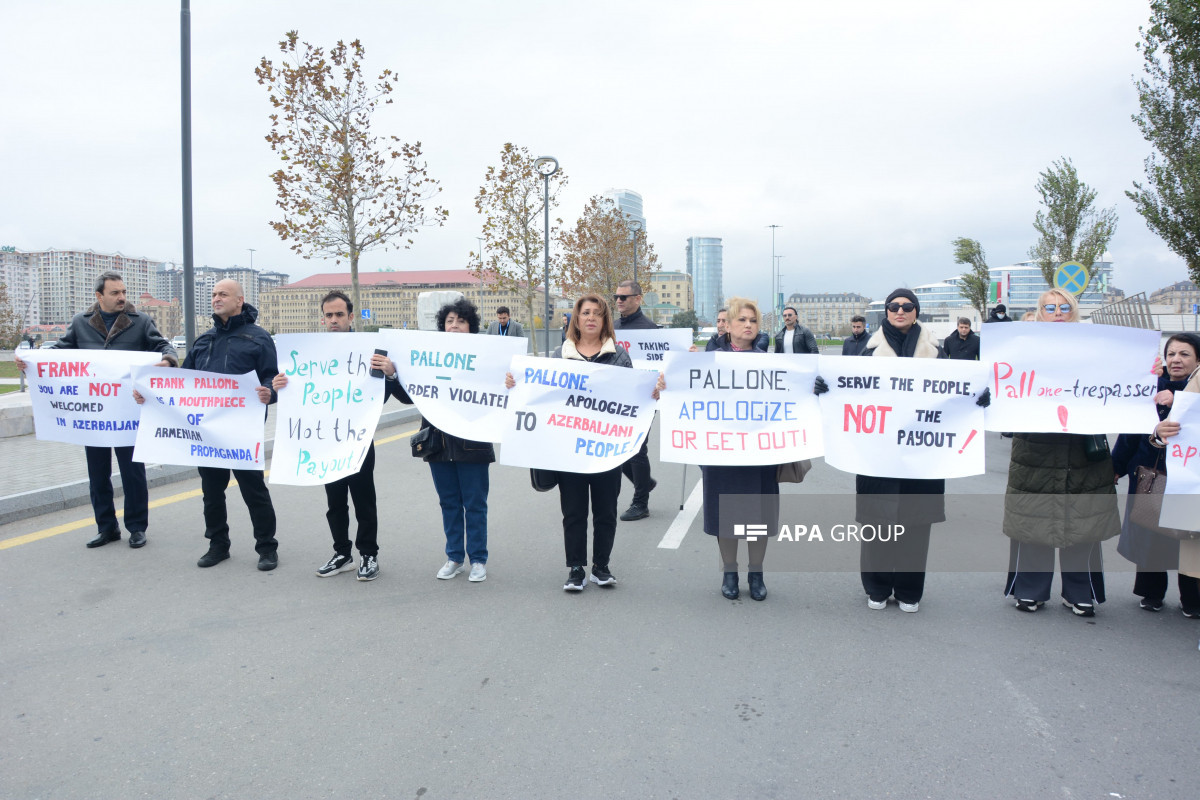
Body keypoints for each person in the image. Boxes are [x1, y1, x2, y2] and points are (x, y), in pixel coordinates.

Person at [823, 288, 965, 613]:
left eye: (907, 306)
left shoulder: (937, 353)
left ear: (917, 311)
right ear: (886, 312)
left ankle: (909, 590)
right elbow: (849, 395)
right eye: (893, 306)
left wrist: (976, 400)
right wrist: (826, 390)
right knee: (877, 523)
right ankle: (876, 587)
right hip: (879, 456)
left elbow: (955, 396)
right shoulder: (868, 352)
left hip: (920, 456)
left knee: (916, 525)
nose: (900, 311)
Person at [506, 293, 659, 591]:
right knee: (573, 512)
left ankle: (601, 566)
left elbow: (634, 400)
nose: (591, 317)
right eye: (585, 312)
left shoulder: (620, 357)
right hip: (569, 453)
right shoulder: (559, 357)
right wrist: (515, 383)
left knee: (606, 512)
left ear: (605, 321)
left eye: (597, 313)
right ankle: (576, 568)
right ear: (576, 319)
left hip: (606, 453)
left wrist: (654, 392)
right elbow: (539, 394)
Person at [15, 271, 177, 549]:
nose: (122, 298)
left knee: (133, 473)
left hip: (127, 414)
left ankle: (137, 527)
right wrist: (32, 361)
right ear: (99, 296)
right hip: (95, 416)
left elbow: (164, 346)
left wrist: (168, 360)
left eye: (124, 292)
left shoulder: (140, 322)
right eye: (115, 293)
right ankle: (106, 528)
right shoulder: (81, 323)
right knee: (97, 474)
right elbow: (62, 352)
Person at [270, 290, 408, 582]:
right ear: (323, 318)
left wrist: (391, 373)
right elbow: (295, 393)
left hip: (357, 440)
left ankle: (369, 554)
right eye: (329, 315)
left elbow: (394, 396)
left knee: (363, 500)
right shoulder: (310, 353)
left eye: (339, 315)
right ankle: (342, 553)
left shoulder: (369, 352)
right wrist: (279, 385)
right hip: (323, 440)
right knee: (335, 502)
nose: (333, 320)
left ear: (350, 316)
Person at [1003, 288, 1120, 616]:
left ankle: (1080, 591)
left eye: (1064, 307)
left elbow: (1123, 382)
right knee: (1034, 521)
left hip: (1083, 450)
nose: (1057, 312)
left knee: (1083, 523)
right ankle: (1029, 589)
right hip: (1035, 450)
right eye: (1050, 307)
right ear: (1040, 312)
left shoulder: (1097, 347)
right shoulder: (1021, 348)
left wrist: (1146, 370)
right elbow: (1000, 383)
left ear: (1074, 310)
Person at [184, 279, 281, 571]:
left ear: (239, 300)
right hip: (208, 432)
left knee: (253, 490)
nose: (216, 299)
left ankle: (266, 547)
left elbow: (272, 377)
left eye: (222, 294)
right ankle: (218, 545)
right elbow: (181, 383)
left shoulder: (259, 338)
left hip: (242, 431)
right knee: (211, 492)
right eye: (213, 294)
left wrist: (270, 392)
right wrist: (149, 394)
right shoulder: (204, 341)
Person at [1112, 333, 1200, 616]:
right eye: (1171, 353)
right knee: (1151, 535)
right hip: (1150, 474)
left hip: (1189, 478)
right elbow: (1129, 432)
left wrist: (1179, 400)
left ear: (1198, 360)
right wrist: (1115, 467)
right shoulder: (1148, 389)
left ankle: (1192, 598)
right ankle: (1152, 592)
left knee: (1189, 539)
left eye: (1184, 354)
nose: (1176, 359)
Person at [699, 297, 778, 601]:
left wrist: (813, 387)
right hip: (722, 452)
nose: (748, 325)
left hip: (759, 452)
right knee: (725, 513)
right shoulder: (707, 361)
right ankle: (730, 571)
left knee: (757, 515)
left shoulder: (771, 364)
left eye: (753, 321)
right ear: (727, 326)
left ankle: (756, 572)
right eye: (742, 320)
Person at [422, 298, 495, 583]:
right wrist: (393, 373)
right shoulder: (428, 358)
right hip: (438, 442)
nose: (454, 326)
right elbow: (409, 393)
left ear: (470, 327)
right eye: (449, 321)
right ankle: (454, 557)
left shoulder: (486, 358)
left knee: (475, 504)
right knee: (449, 503)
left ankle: (478, 559)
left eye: (460, 321)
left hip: (473, 442)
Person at [613, 280, 657, 521]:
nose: (619, 300)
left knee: (637, 449)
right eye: (616, 296)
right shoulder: (611, 327)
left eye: (624, 297)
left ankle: (641, 503)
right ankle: (645, 482)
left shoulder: (651, 330)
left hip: (643, 400)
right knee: (617, 449)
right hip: (616, 398)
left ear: (638, 299)